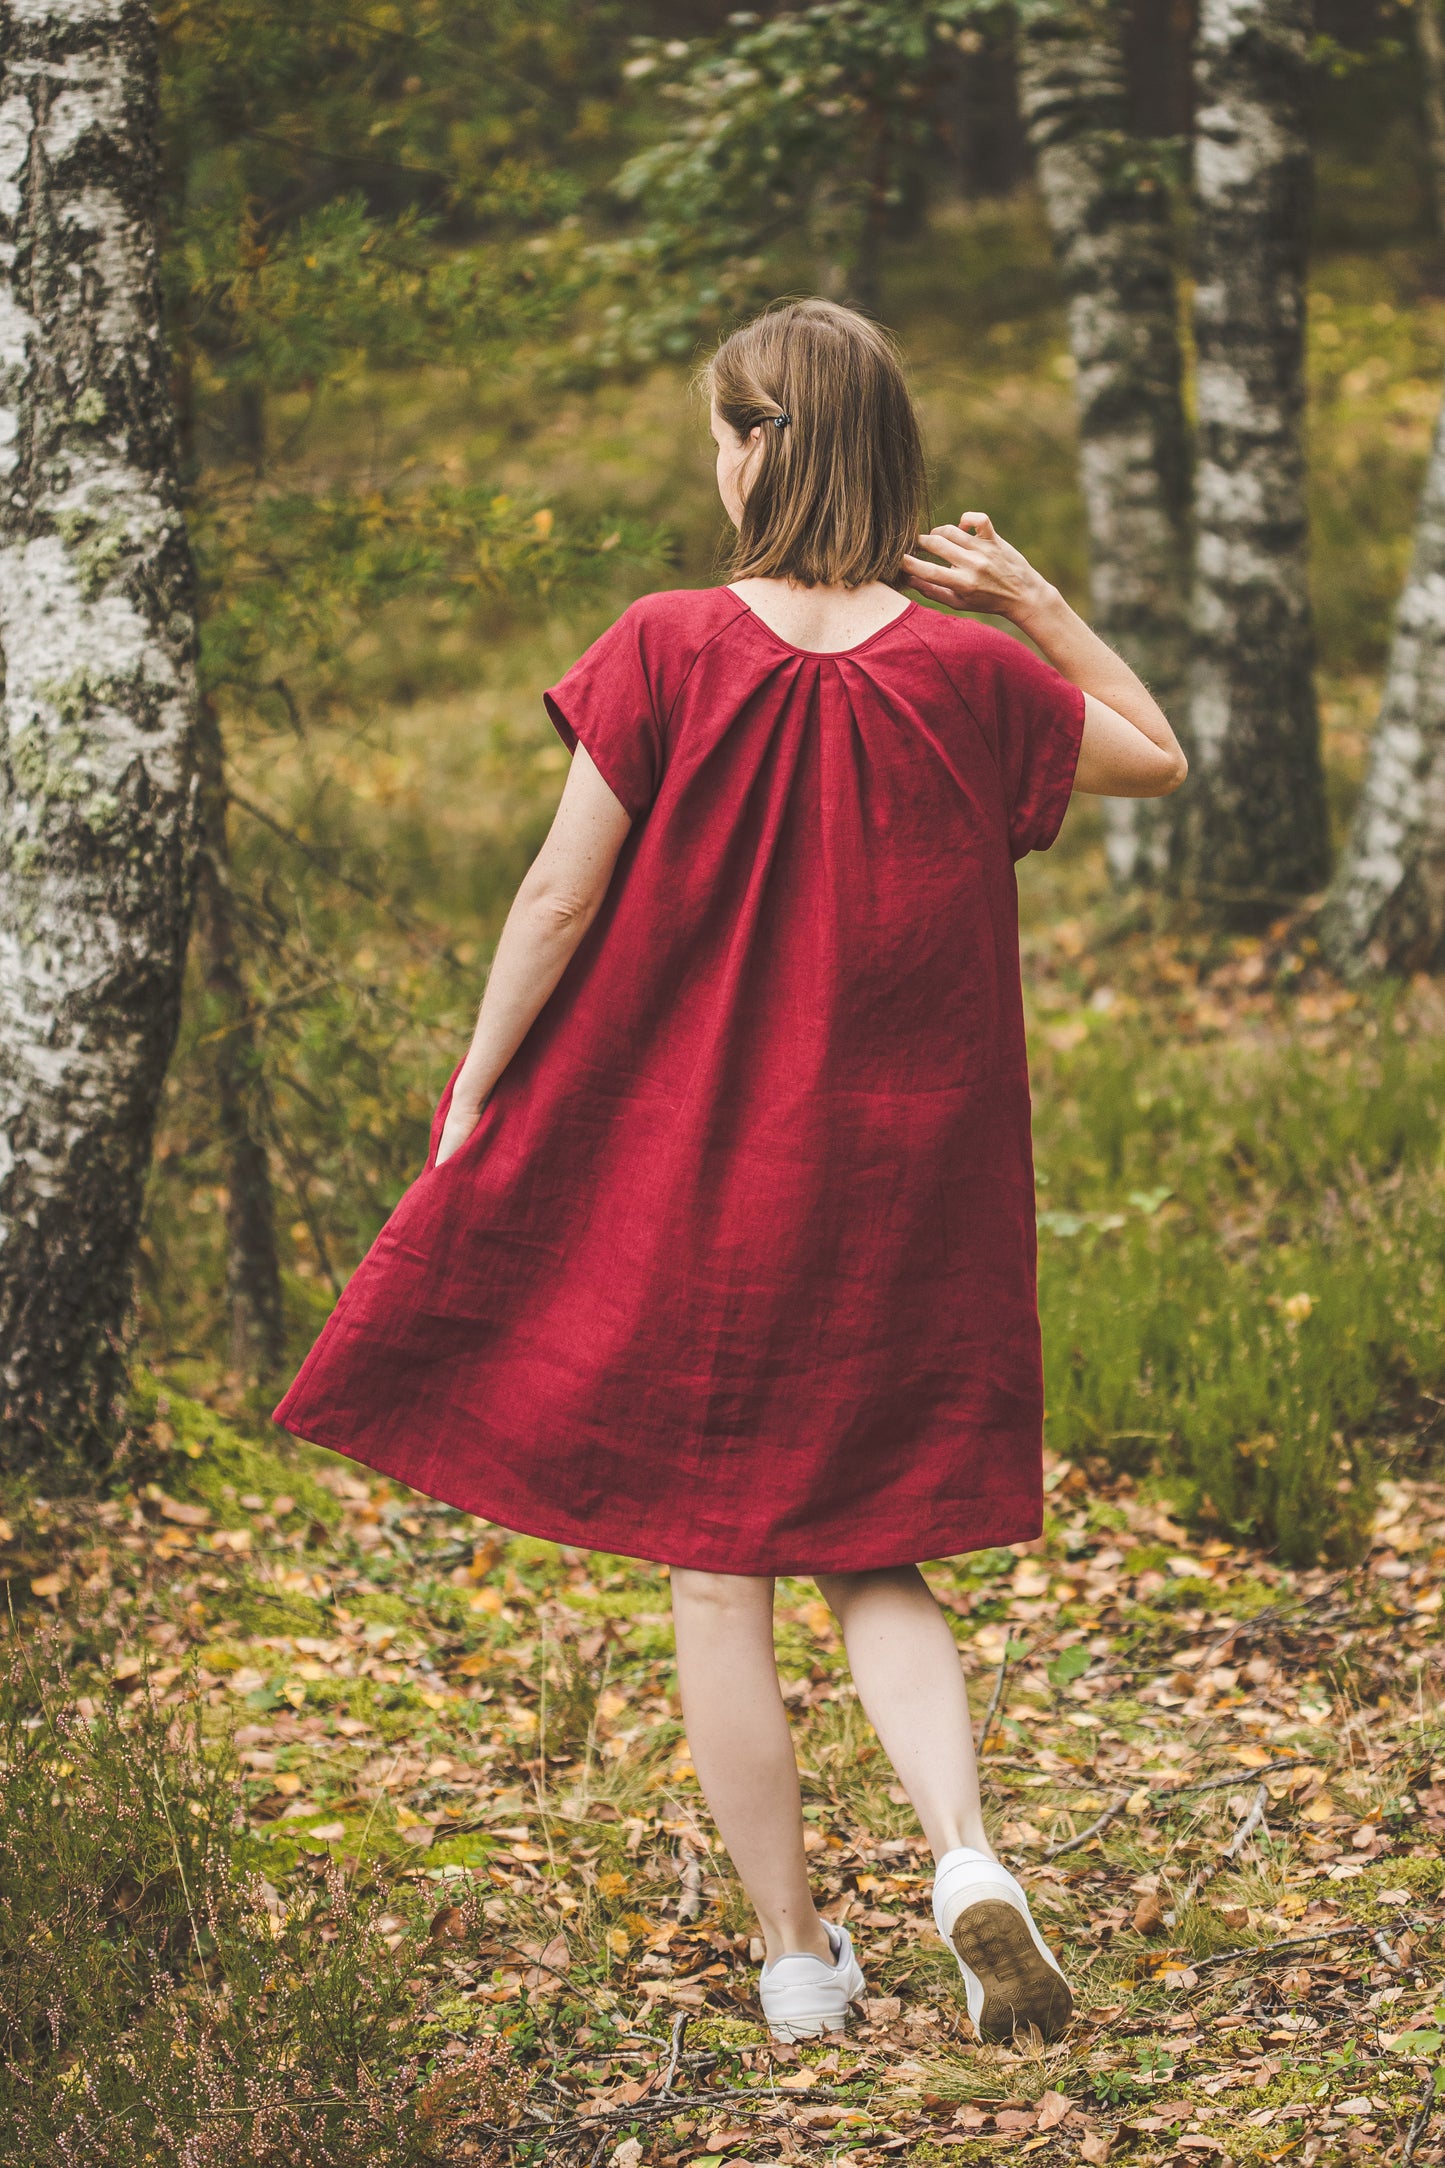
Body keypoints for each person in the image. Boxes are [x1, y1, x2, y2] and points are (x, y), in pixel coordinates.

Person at [274, 298, 1186, 2045]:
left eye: (724, 426)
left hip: (707, 1172)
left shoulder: (667, 644)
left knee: (718, 1570)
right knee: (880, 1555)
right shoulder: (971, 674)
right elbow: (1152, 750)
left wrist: (475, 1087)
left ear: (758, 445)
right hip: (902, 1191)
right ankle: (968, 1862)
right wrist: (1033, 604)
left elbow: (556, 895)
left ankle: (792, 1962)